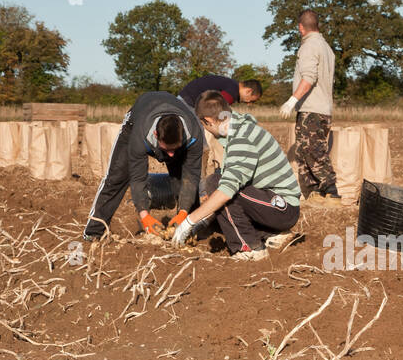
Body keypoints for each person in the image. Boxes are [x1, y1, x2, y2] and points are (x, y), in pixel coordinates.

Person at [173, 90, 300, 260]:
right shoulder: (238, 128)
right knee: (217, 184)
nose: (206, 130)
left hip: (283, 208)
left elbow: (226, 191)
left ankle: (249, 248)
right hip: (271, 204)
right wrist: (204, 220)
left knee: (217, 185)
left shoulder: (242, 138)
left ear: (209, 121)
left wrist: (190, 220)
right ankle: (272, 233)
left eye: (204, 125)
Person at [82, 91, 205, 241]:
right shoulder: (140, 135)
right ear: (155, 134)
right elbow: (138, 177)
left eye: (175, 149)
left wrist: (184, 212)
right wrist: (144, 215)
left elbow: (191, 177)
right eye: (167, 149)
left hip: (175, 125)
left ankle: (187, 232)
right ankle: (94, 231)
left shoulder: (194, 135)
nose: (170, 155)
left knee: (182, 179)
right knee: (116, 177)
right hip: (136, 120)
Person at [279, 9, 338, 202]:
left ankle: (331, 191)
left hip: (312, 109)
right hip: (323, 109)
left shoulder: (309, 46)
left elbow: (309, 77)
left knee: (313, 151)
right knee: (305, 150)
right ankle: (315, 194)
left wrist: (292, 100)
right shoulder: (326, 47)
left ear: (300, 28)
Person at [177, 75, 262, 109]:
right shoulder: (233, 92)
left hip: (185, 97)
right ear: (248, 91)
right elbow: (216, 109)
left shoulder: (232, 85)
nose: (249, 103)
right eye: (251, 100)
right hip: (188, 102)